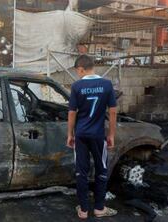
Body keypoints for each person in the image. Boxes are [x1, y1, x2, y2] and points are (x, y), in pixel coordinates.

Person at [67, 55, 118, 219]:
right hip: (98, 135)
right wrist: (111, 134)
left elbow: (72, 113)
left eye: (77, 72)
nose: (78, 75)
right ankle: (99, 208)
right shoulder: (107, 84)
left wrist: (70, 134)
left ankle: (83, 210)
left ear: (81, 69)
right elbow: (113, 111)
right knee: (101, 169)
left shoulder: (76, 86)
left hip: (81, 135)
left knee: (81, 172)